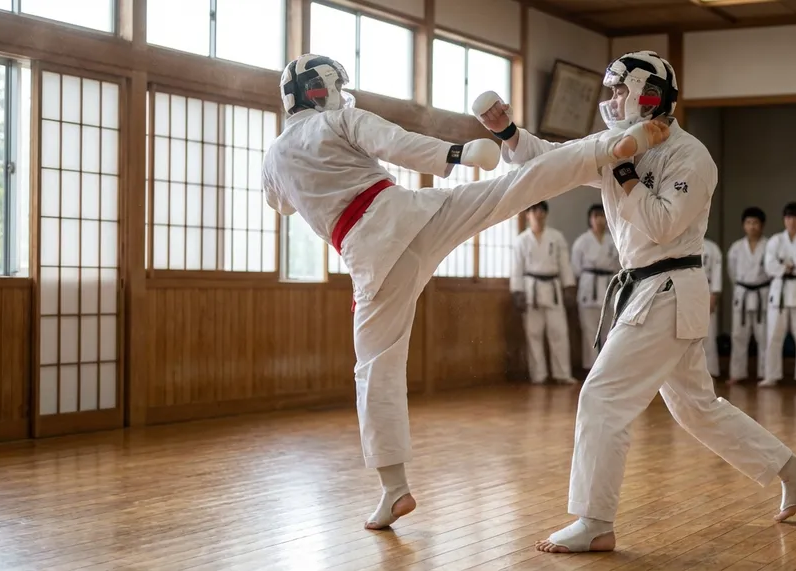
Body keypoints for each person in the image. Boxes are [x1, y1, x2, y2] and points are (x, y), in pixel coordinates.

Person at [262, 54, 672, 530]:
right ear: (321, 91)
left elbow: (282, 206)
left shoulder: (275, 156)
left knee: (374, 370)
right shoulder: (341, 118)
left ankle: (393, 490)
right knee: (514, 188)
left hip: (369, 259)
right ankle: (615, 147)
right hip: (412, 213)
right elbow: (394, 142)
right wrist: (454, 156)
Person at [480, 49, 796, 554]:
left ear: (650, 95)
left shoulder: (691, 155)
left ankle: (595, 520)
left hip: (668, 287)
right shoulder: (615, 144)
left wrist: (621, 171)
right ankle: (793, 471)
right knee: (696, 409)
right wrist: (508, 131)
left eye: (622, 90)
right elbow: (553, 159)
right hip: (646, 289)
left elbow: (663, 223)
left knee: (601, 396)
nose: (613, 100)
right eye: (611, 91)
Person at [512, 201, 577, 384]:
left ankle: (562, 374)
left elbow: (564, 264)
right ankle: (538, 375)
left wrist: (569, 287)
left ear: (546, 214)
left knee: (559, 331)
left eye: (541, 211)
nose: (538, 214)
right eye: (534, 210)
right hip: (530, 289)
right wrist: (517, 293)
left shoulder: (556, 237)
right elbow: (516, 269)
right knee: (533, 333)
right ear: (528, 215)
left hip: (553, 288)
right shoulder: (521, 241)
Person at [760, 202, 796, 388]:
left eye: (795, 218)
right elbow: (770, 267)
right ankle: (771, 375)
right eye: (788, 218)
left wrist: (785, 264)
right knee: (773, 336)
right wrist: (793, 265)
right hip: (779, 293)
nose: (792, 221)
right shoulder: (775, 240)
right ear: (784, 220)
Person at [571, 204, 620, 370]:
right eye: (596, 216)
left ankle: (607, 369)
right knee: (590, 331)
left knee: (609, 331)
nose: (599, 219)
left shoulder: (613, 241)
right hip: (588, 286)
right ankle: (592, 368)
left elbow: (619, 266)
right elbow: (576, 269)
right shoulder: (582, 242)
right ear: (590, 219)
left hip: (608, 286)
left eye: (602, 215)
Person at [726, 208, 772, 383]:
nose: (752, 226)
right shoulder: (736, 248)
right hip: (743, 294)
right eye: (748, 223)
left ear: (762, 225)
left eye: (755, 223)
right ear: (743, 225)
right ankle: (737, 373)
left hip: (762, 293)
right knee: (738, 335)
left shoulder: (769, 245)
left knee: (764, 335)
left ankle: (764, 373)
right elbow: (732, 273)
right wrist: (741, 288)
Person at [703, 237, 723, 378]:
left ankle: (710, 371)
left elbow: (717, 272)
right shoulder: (677, 242)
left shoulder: (711, 247)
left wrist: (714, 295)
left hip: (706, 290)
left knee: (708, 334)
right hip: (684, 290)